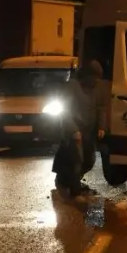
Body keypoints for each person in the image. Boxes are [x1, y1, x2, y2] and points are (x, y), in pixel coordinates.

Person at [52, 60, 108, 198]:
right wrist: (73, 130)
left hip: (88, 132)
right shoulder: (72, 86)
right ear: (87, 75)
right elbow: (66, 110)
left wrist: (101, 127)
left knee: (89, 160)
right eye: (94, 77)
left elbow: (100, 108)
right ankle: (75, 190)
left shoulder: (95, 89)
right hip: (74, 132)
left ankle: (66, 180)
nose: (96, 81)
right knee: (76, 160)